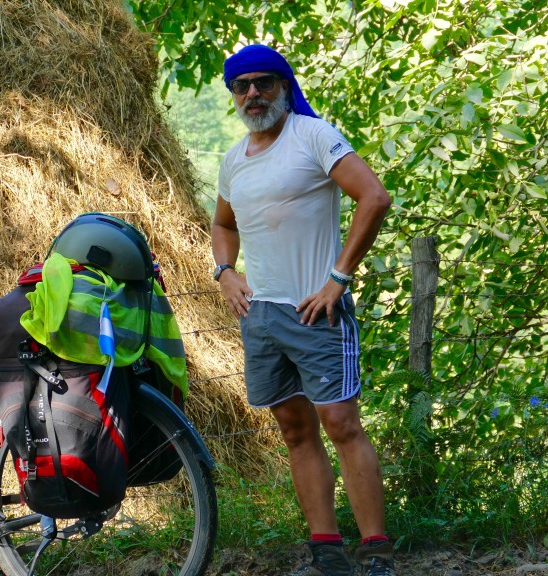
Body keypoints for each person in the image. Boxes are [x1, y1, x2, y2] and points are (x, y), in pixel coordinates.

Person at [211, 44, 396, 576]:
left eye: (264, 83)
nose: (253, 94)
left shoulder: (313, 136)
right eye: (242, 86)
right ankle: (327, 553)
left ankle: (377, 551)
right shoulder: (232, 161)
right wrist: (226, 273)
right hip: (261, 317)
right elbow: (223, 226)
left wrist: (339, 278)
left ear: (284, 86)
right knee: (295, 430)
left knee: (341, 424)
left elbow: (374, 197)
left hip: (318, 311)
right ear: (233, 95)